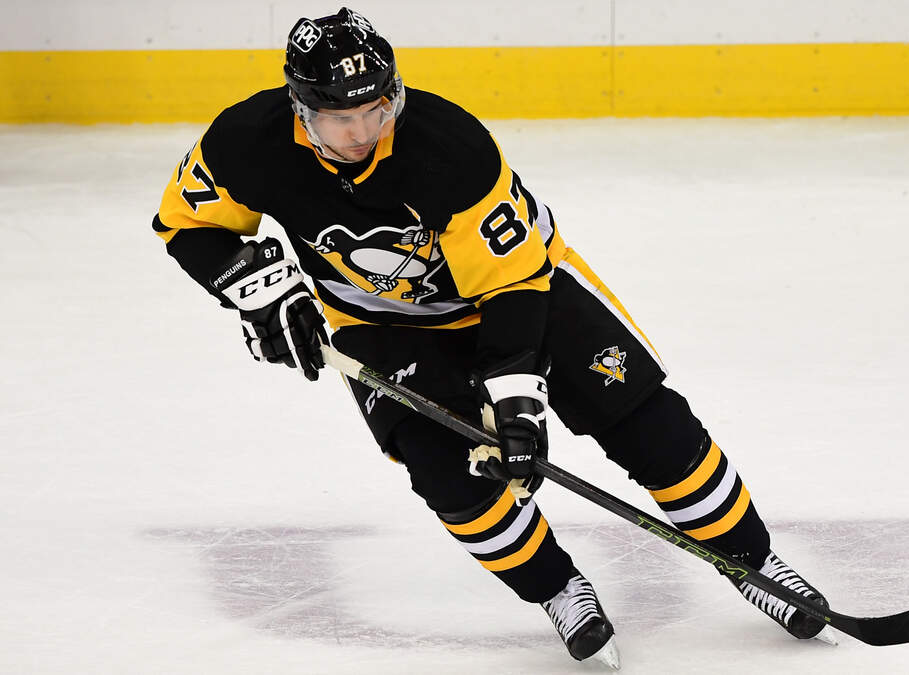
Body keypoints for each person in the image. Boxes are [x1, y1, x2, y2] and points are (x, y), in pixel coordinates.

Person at [152, 7, 833, 667]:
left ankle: (755, 562)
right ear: (301, 109)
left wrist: (516, 400)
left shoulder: (450, 147)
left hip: (523, 291)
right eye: (340, 118)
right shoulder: (247, 142)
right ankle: (559, 589)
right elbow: (187, 224)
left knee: (649, 426)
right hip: (379, 323)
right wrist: (262, 291)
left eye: (376, 110)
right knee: (449, 477)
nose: (362, 133)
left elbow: (511, 286)